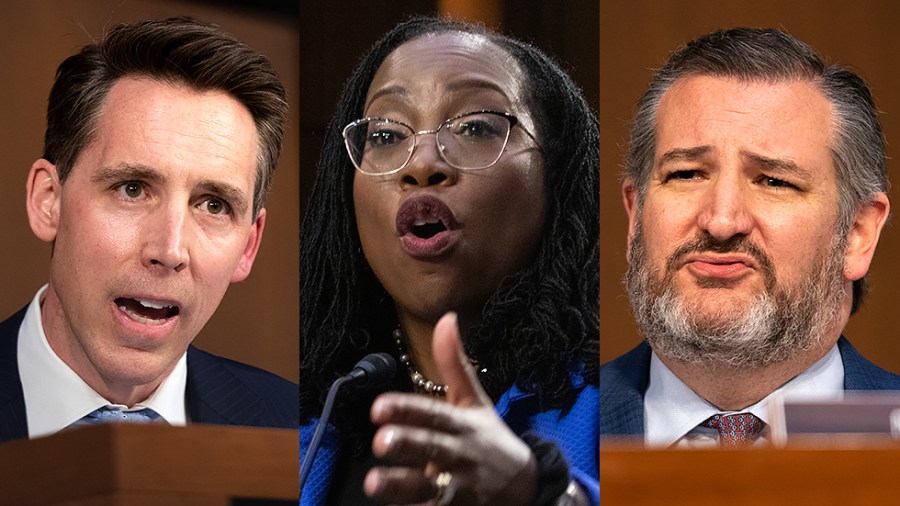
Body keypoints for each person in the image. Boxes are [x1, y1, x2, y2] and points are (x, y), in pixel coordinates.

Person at [300, 16, 598, 506]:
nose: (422, 164)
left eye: (475, 126)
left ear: (556, 176)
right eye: (386, 134)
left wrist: (540, 492)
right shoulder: (313, 409)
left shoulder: (617, 397)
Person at [0, 17, 297, 442]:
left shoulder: (293, 430)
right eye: (133, 189)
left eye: (214, 205)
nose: (171, 249)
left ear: (249, 245)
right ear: (48, 200)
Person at [601, 27, 900, 447]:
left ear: (858, 233)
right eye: (686, 174)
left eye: (774, 181)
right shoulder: (536, 434)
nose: (721, 221)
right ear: (635, 216)